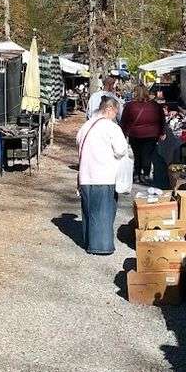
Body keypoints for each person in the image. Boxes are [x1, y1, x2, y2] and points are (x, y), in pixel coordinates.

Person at [76, 96, 128, 255]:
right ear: (109, 109)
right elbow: (121, 149)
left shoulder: (86, 125)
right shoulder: (111, 127)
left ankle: (89, 242)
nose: (116, 115)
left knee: (89, 210)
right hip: (104, 174)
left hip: (85, 175)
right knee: (103, 212)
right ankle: (101, 245)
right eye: (116, 112)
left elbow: (78, 142)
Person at [120, 83, 165, 185]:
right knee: (147, 155)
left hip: (134, 134)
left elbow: (124, 121)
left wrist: (124, 133)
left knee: (137, 155)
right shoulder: (155, 106)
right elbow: (162, 119)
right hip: (151, 135)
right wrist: (162, 132)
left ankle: (136, 174)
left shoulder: (130, 106)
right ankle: (145, 175)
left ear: (135, 93)